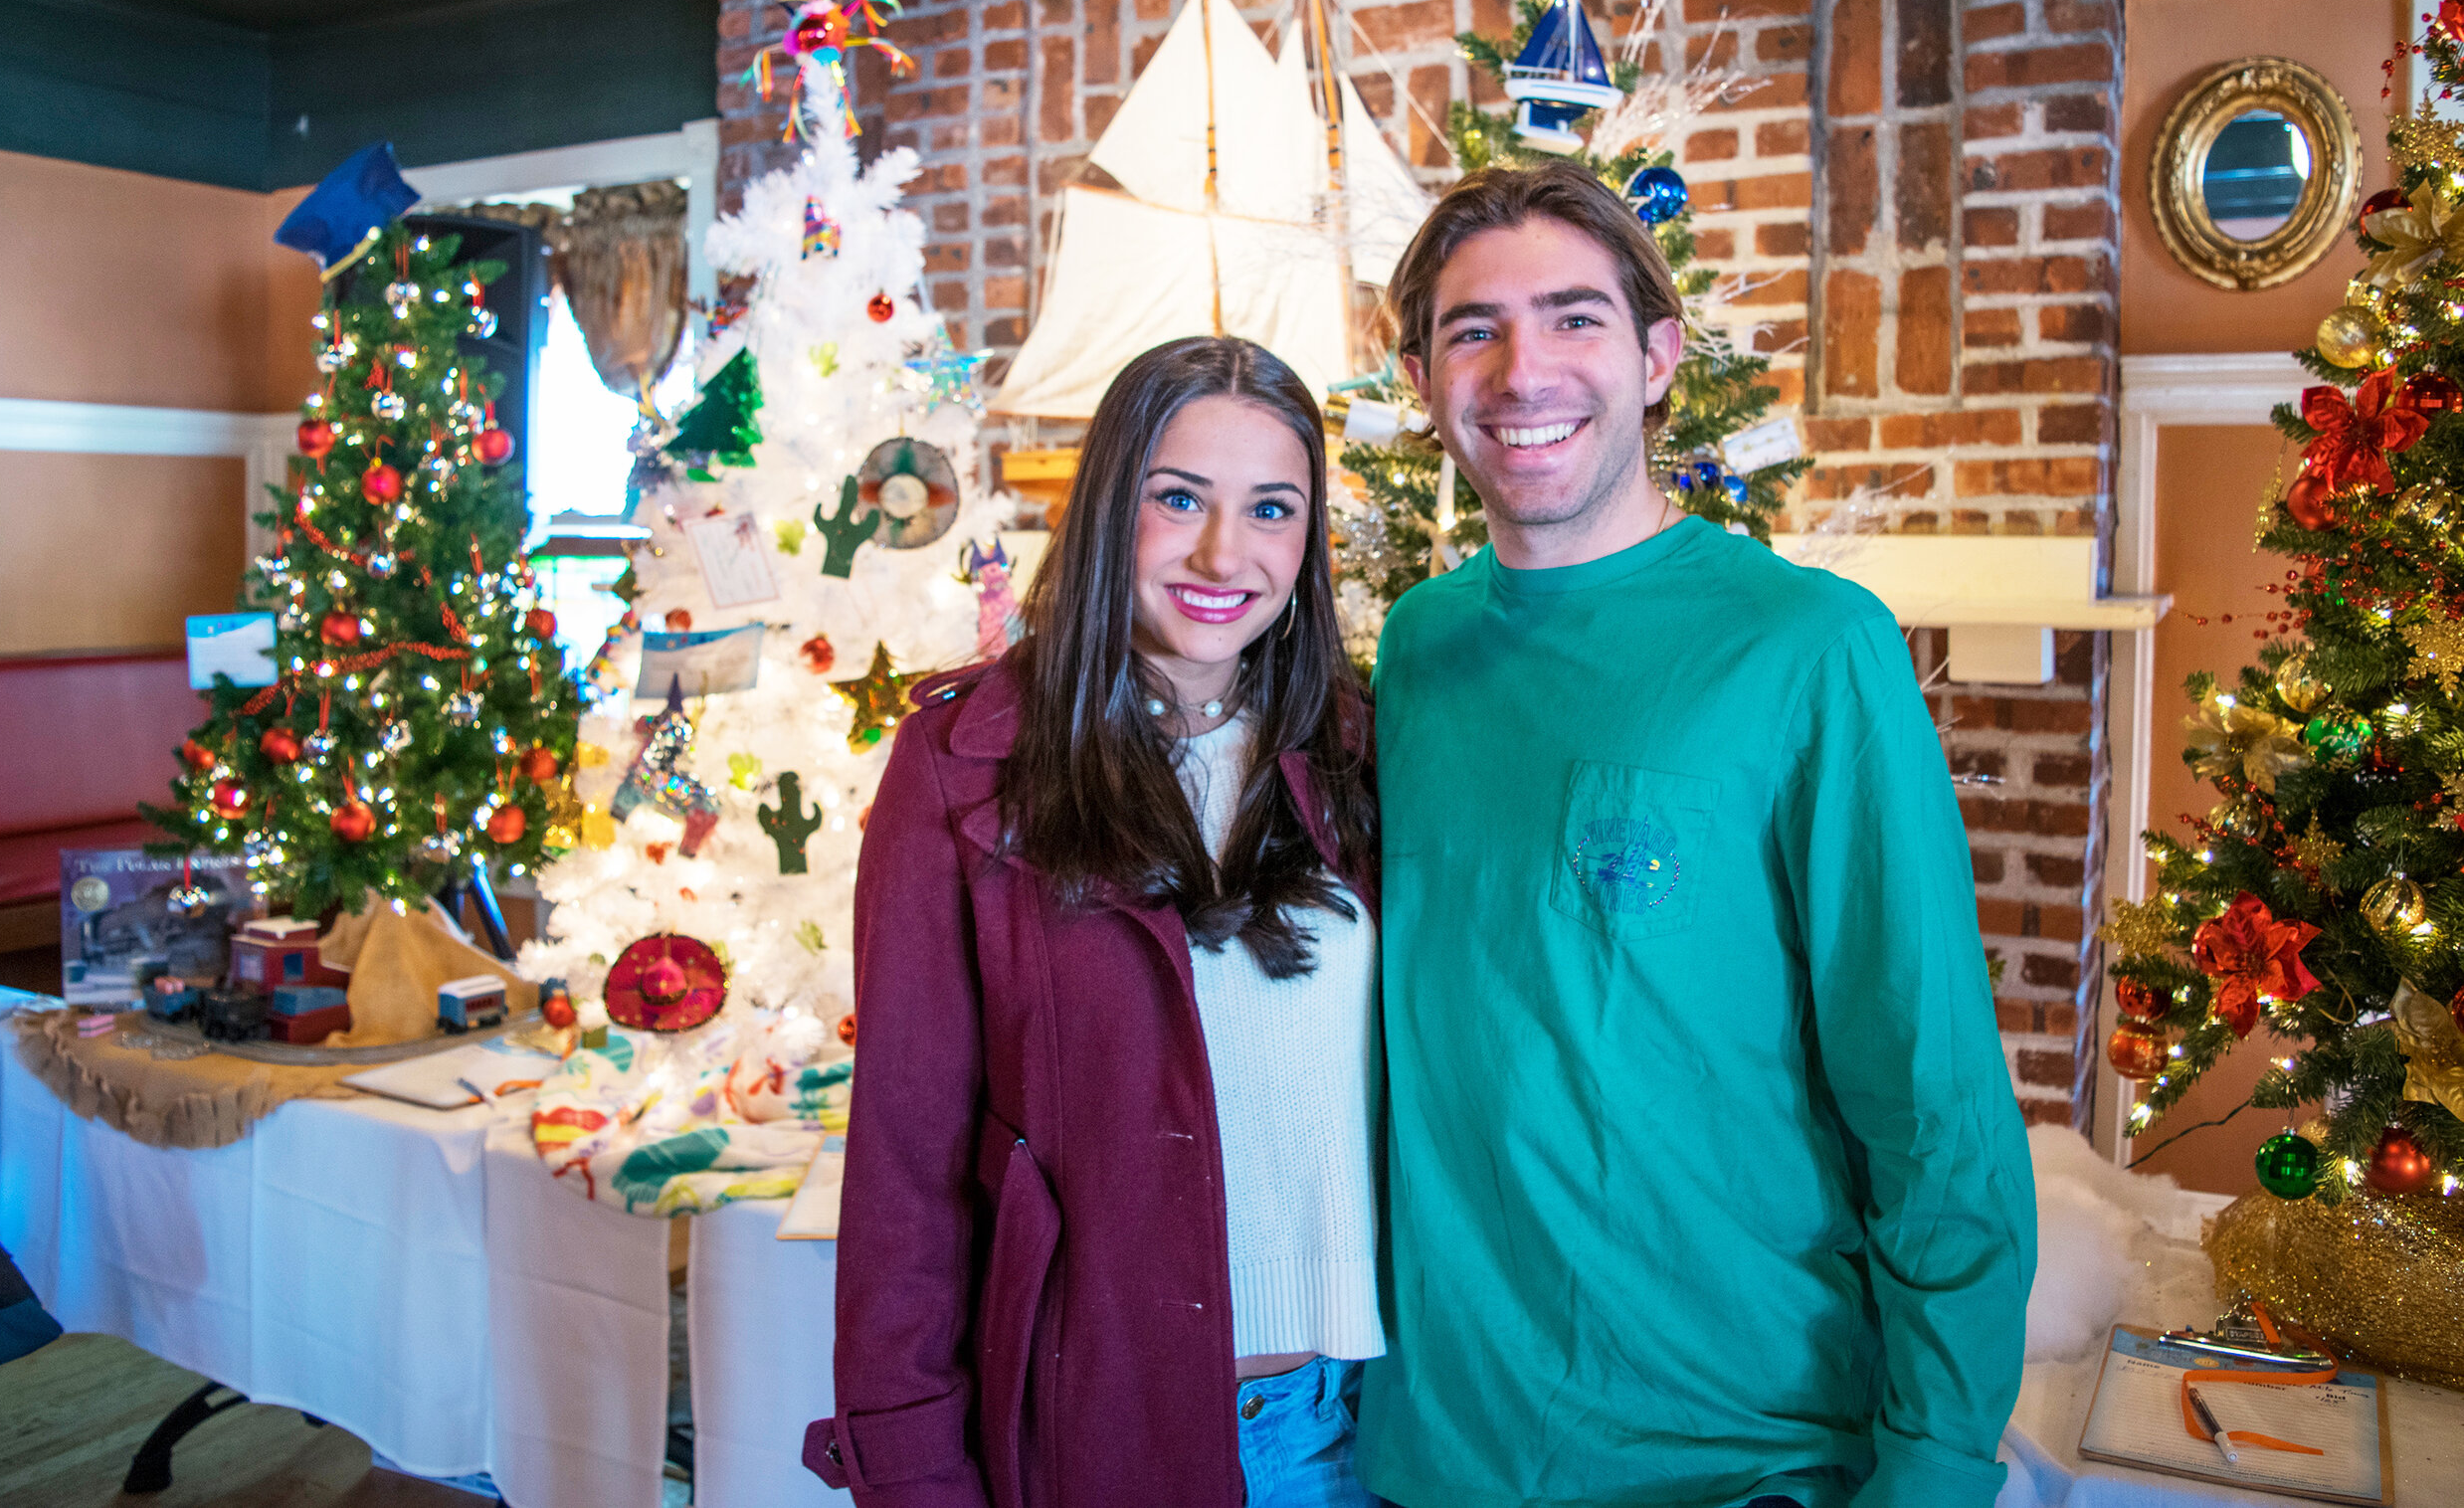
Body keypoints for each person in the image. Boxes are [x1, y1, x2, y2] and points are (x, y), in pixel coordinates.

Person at [1354, 160, 2036, 1508]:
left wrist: (1939, 1463)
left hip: (1740, 1450)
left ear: (1660, 355)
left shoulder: (1811, 646)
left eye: (1574, 318)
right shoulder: (1418, 648)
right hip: (1434, 1447)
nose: (1520, 369)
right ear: (1425, 383)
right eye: (1470, 330)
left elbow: (1932, 1091)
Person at [805, 335, 1385, 1508]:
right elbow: (904, 1170)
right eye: (1179, 498)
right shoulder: (966, 766)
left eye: (1271, 507)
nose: (1225, 553)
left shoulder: (1362, 747)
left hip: (1386, 1424)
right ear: (1113, 500)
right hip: (1115, 1426)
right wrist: (912, 1472)